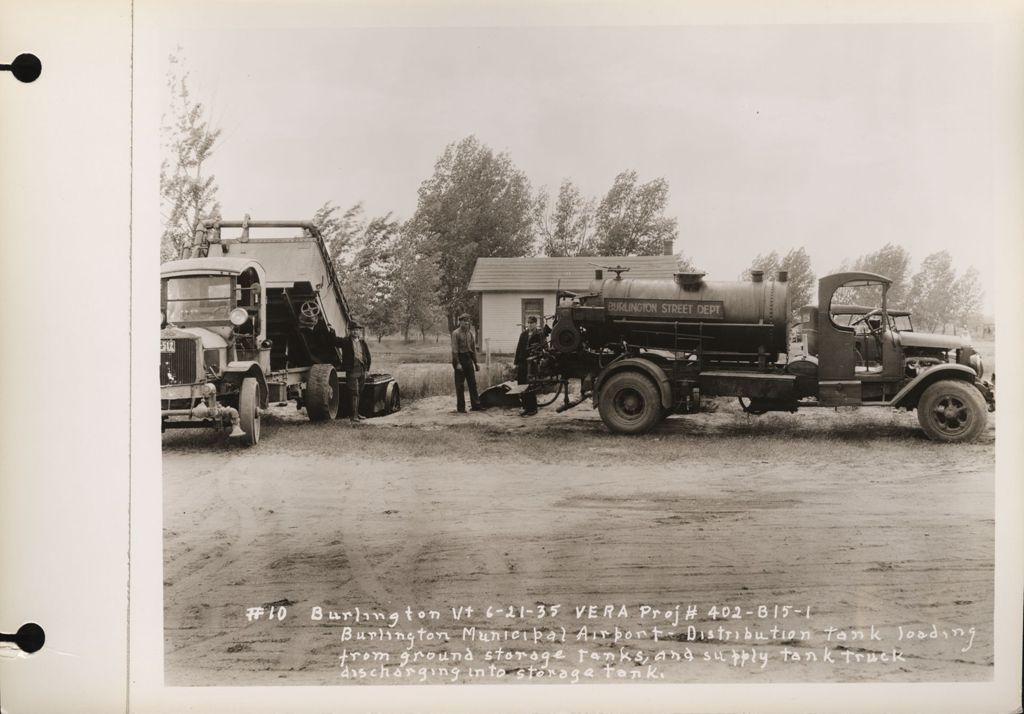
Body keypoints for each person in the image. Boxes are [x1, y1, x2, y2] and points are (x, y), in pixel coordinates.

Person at [338, 322, 371, 423]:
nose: (356, 331)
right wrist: (331, 330)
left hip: (362, 370)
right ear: (350, 331)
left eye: (357, 330)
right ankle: (353, 416)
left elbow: (368, 356)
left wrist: (367, 370)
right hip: (351, 370)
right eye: (354, 330)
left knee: (360, 392)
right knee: (354, 393)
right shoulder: (345, 341)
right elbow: (334, 341)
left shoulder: (362, 342)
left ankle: (358, 413)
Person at [514, 316, 545, 416]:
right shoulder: (523, 334)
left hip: (532, 363)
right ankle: (525, 407)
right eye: (529, 323)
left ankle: (533, 408)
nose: (530, 325)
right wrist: (516, 363)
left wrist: (540, 359)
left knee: (531, 385)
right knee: (522, 384)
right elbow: (518, 349)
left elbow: (544, 348)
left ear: (536, 323)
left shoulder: (539, 335)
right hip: (523, 362)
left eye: (532, 323)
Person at [450, 313, 481, 412]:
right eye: (464, 321)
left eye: (468, 321)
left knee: (472, 383)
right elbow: (454, 350)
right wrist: (458, 364)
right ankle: (461, 408)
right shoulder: (456, 333)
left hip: (468, 359)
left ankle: (476, 405)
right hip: (459, 358)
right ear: (460, 322)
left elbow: (472, 349)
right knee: (460, 385)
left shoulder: (470, 333)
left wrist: (475, 363)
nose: (467, 323)